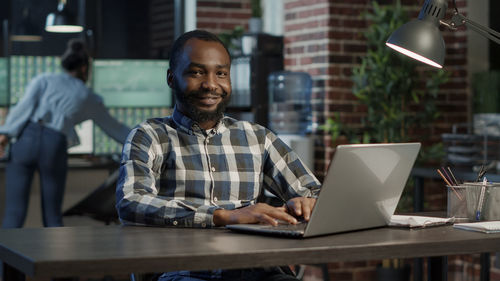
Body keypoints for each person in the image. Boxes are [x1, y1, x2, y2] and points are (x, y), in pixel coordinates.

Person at [115, 29, 321, 281]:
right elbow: (131, 202)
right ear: (171, 78)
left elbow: (315, 193)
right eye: (196, 72)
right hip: (182, 272)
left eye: (221, 73)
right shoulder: (149, 135)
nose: (211, 84)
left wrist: (308, 203)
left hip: (257, 270)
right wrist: (223, 216)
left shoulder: (258, 137)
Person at [0, 39, 130, 228]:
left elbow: (23, 109)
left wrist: (4, 136)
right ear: (85, 69)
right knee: (52, 215)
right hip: (54, 144)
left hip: (25, 140)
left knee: (14, 213)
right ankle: (53, 257)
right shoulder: (87, 96)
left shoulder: (43, 80)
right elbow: (115, 128)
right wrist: (143, 139)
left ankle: (4, 258)